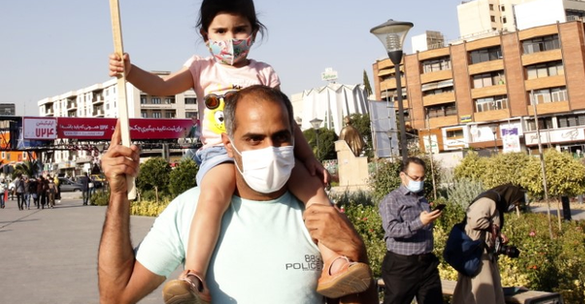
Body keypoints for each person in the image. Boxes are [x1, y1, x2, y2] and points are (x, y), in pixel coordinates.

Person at [109, 0, 369, 302]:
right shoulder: (200, 68)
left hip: (268, 151)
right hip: (219, 153)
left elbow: (288, 122)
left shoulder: (264, 73)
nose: (230, 39)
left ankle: (335, 264)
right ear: (205, 35)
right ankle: (194, 276)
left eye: (240, 29)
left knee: (315, 193)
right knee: (213, 197)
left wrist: (309, 158)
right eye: (220, 31)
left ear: (254, 32)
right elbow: (162, 87)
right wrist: (130, 71)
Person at [98, 86, 378, 304]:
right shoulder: (189, 210)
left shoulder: (319, 214)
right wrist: (119, 194)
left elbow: (354, 296)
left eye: (280, 137)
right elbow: (116, 296)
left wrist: (356, 250)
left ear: (294, 139)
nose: (270, 149)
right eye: (254, 139)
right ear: (229, 146)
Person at [378, 157, 444, 304]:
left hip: (426, 263)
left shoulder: (422, 199)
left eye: (422, 178)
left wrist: (429, 220)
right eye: (415, 177)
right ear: (403, 176)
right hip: (402, 265)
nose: (419, 181)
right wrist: (420, 222)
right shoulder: (392, 200)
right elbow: (392, 229)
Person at [452, 184, 527, 304]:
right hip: (478, 253)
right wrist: (493, 228)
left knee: (488, 291)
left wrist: (497, 234)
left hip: (484, 252)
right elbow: (475, 220)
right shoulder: (488, 200)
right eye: (515, 203)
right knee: (482, 293)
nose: (514, 206)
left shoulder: (494, 202)